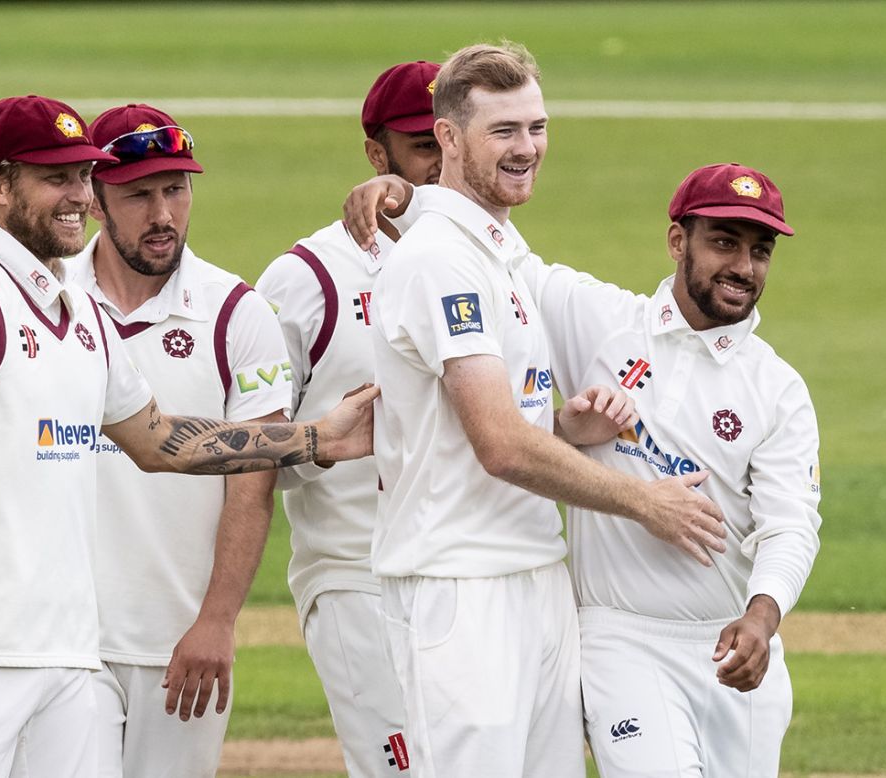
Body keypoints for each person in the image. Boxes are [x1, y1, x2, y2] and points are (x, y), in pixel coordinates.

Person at [0, 94, 377, 777]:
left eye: (83, 176)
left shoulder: (80, 312)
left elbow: (158, 439)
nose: (77, 196)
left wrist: (315, 440)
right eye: (55, 178)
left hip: (64, 658)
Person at [362, 42, 728, 777]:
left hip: (534, 574)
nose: (526, 148)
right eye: (503, 131)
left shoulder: (497, 251)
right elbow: (499, 445)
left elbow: (488, 427)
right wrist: (643, 502)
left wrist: (563, 427)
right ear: (447, 138)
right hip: (462, 588)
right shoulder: (441, 258)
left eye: (536, 126)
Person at [517, 163, 821, 777]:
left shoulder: (777, 388)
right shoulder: (600, 320)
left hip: (733, 648)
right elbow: (496, 257)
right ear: (678, 241)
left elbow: (791, 524)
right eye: (724, 243)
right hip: (621, 639)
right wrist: (403, 198)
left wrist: (762, 617)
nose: (745, 267)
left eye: (760, 251)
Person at [64, 103, 291, 777]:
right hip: (61, 640)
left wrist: (218, 620)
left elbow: (253, 482)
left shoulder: (236, 313)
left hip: (178, 643)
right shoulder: (49, 301)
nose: (164, 214)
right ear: (96, 200)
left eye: (177, 189)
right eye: (139, 195)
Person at [253, 60, 441, 776]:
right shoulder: (306, 278)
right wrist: (319, 444)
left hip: (460, 572)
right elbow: (249, 449)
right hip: (356, 576)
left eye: (447, 142)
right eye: (421, 146)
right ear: (376, 154)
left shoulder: (493, 261)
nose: (438, 165)